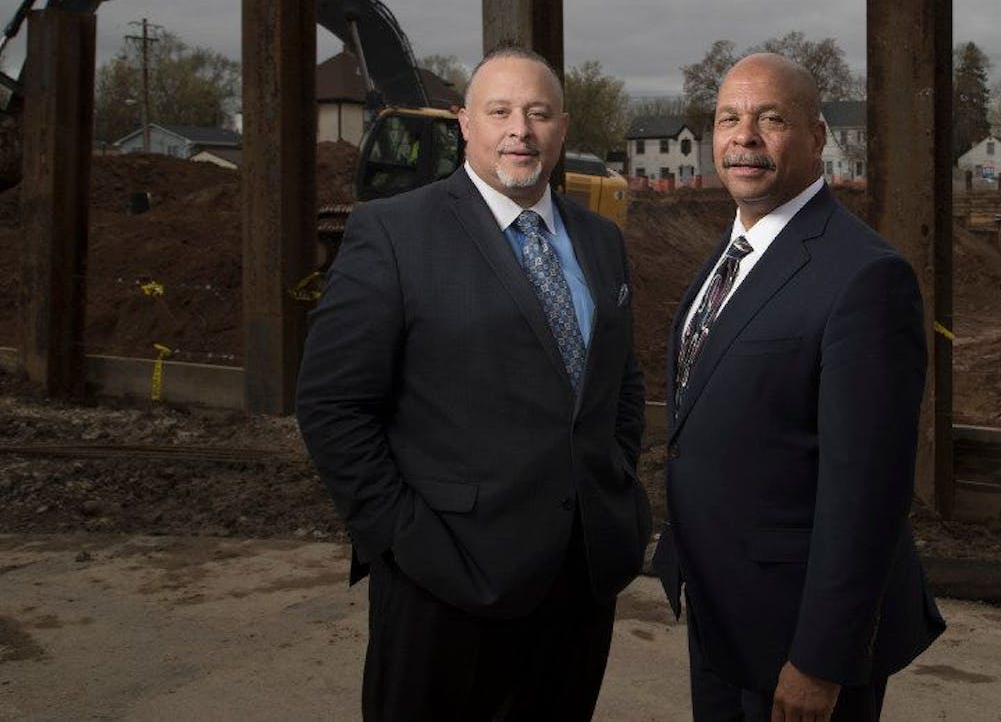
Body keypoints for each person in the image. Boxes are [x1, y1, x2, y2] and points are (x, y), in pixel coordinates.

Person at [296, 47, 650, 721]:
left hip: (579, 581)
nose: (520, 129)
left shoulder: (602, 240)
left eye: (538, 112)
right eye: (500, 111)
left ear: (563, 128)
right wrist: (403, 538)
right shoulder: (394, 233)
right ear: (465, 122)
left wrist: (611, 478)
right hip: (445, 582)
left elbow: (619, 381)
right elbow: (332, 404)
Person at [652, 52, 945, 722]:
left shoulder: (865, 278)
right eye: (729, 118)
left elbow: (868, 493)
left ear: (817, 137)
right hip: (723, 611)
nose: (743, 136)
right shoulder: (726, 261)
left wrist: (821, 658)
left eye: (770, 118)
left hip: (799, 636)